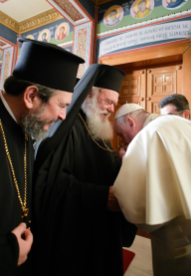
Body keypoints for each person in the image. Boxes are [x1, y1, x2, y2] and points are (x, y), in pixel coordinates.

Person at [32, 64, 137, 276]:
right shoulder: (66, 127)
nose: (110, 109)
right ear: (89, 94)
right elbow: (50, 181)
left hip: (102, 231)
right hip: (74, 237)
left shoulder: (99, 129)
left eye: (113, 104)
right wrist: (100, 197)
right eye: (107, 101)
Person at [0, 37, 84, 276]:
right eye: (61, 105)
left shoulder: (25, 126)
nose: (63, 116)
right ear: (31, 96)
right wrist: (7, 255)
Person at [113, 103, 191, 276]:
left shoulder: (150, 135)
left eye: (121, 135)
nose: (123, 141)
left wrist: (126, 163)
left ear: (130, 122)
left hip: (184, 241)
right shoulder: (181, 123)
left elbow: (140, 205)